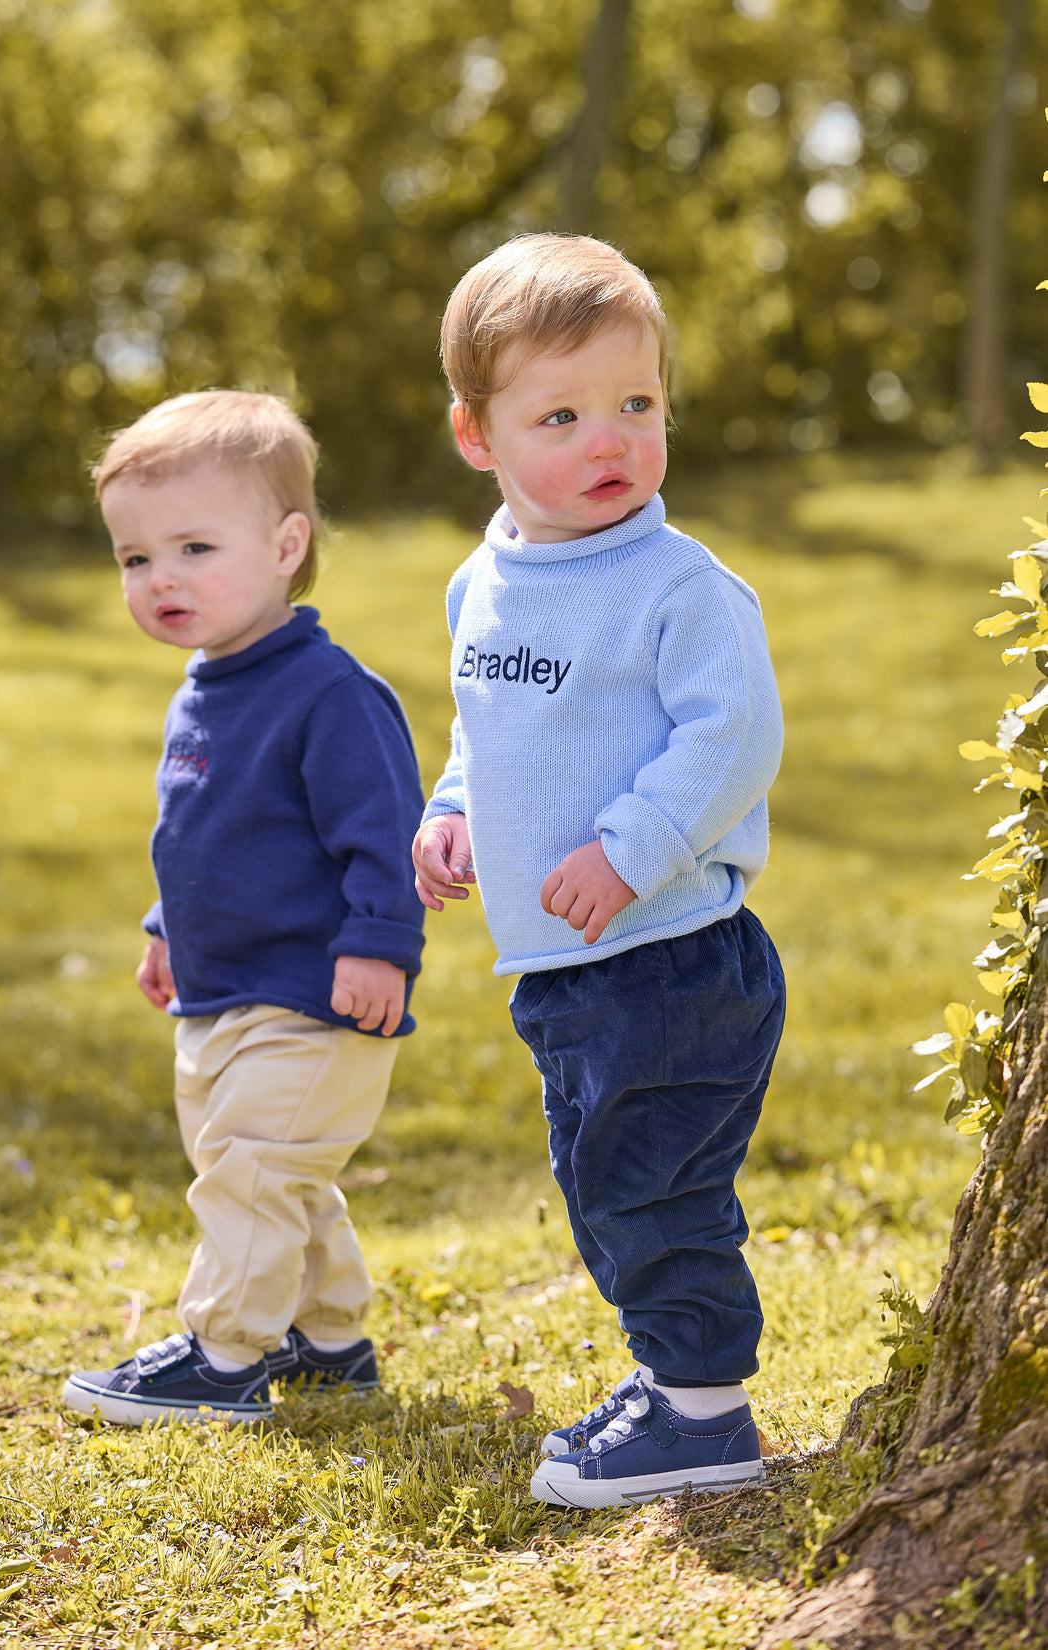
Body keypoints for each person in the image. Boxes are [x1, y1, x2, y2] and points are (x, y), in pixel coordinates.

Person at [413, 235, 786, 1509]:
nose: (608, 439)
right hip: (563, 972)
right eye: (560, 415)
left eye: (635, 405)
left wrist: (628, 851)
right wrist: (452, 807)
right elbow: (485, 724)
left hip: (669, 957)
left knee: (652, 1186)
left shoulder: (678, 585)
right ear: (478, 437)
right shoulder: (485, 581)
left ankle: (703, 1415)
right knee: (604, 1188)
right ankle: (669, 1378)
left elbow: (731, 737)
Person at [62, 390, 425, 1426]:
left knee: (254, 1172)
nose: (160, 577)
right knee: (263, 1171)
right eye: (135, 559)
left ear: (284, 544)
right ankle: (329, 1339)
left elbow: (379, 832)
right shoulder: (203, 687)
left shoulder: (329, 692)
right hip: (223, 993)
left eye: (192, 547)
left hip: (315, 996)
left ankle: (222, 1358)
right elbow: (203, 834)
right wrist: (165, 928)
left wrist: (379, 947)